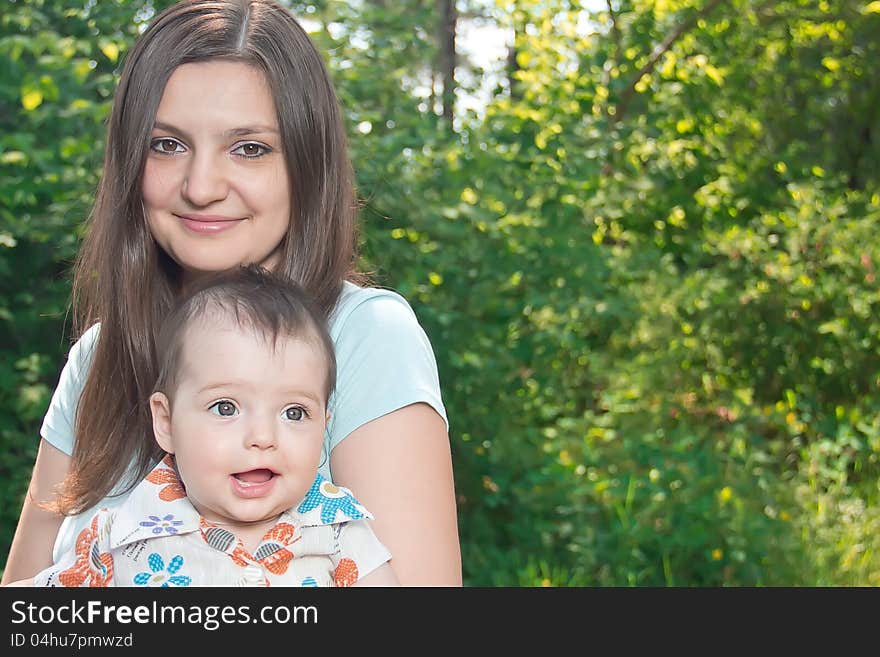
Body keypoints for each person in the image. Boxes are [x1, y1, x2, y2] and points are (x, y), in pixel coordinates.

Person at [1, 0, 460, 586]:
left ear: (306, 166)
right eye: (166, 144)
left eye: (248, 148)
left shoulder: (367, 336)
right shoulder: (98, 357)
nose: (201, 186)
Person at [26, 267, 398, 587]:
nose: (263, 438)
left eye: (294, 413)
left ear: (323, 428)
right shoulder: (119, 538)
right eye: (226, 407)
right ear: (167, 422)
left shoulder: (339, 531)